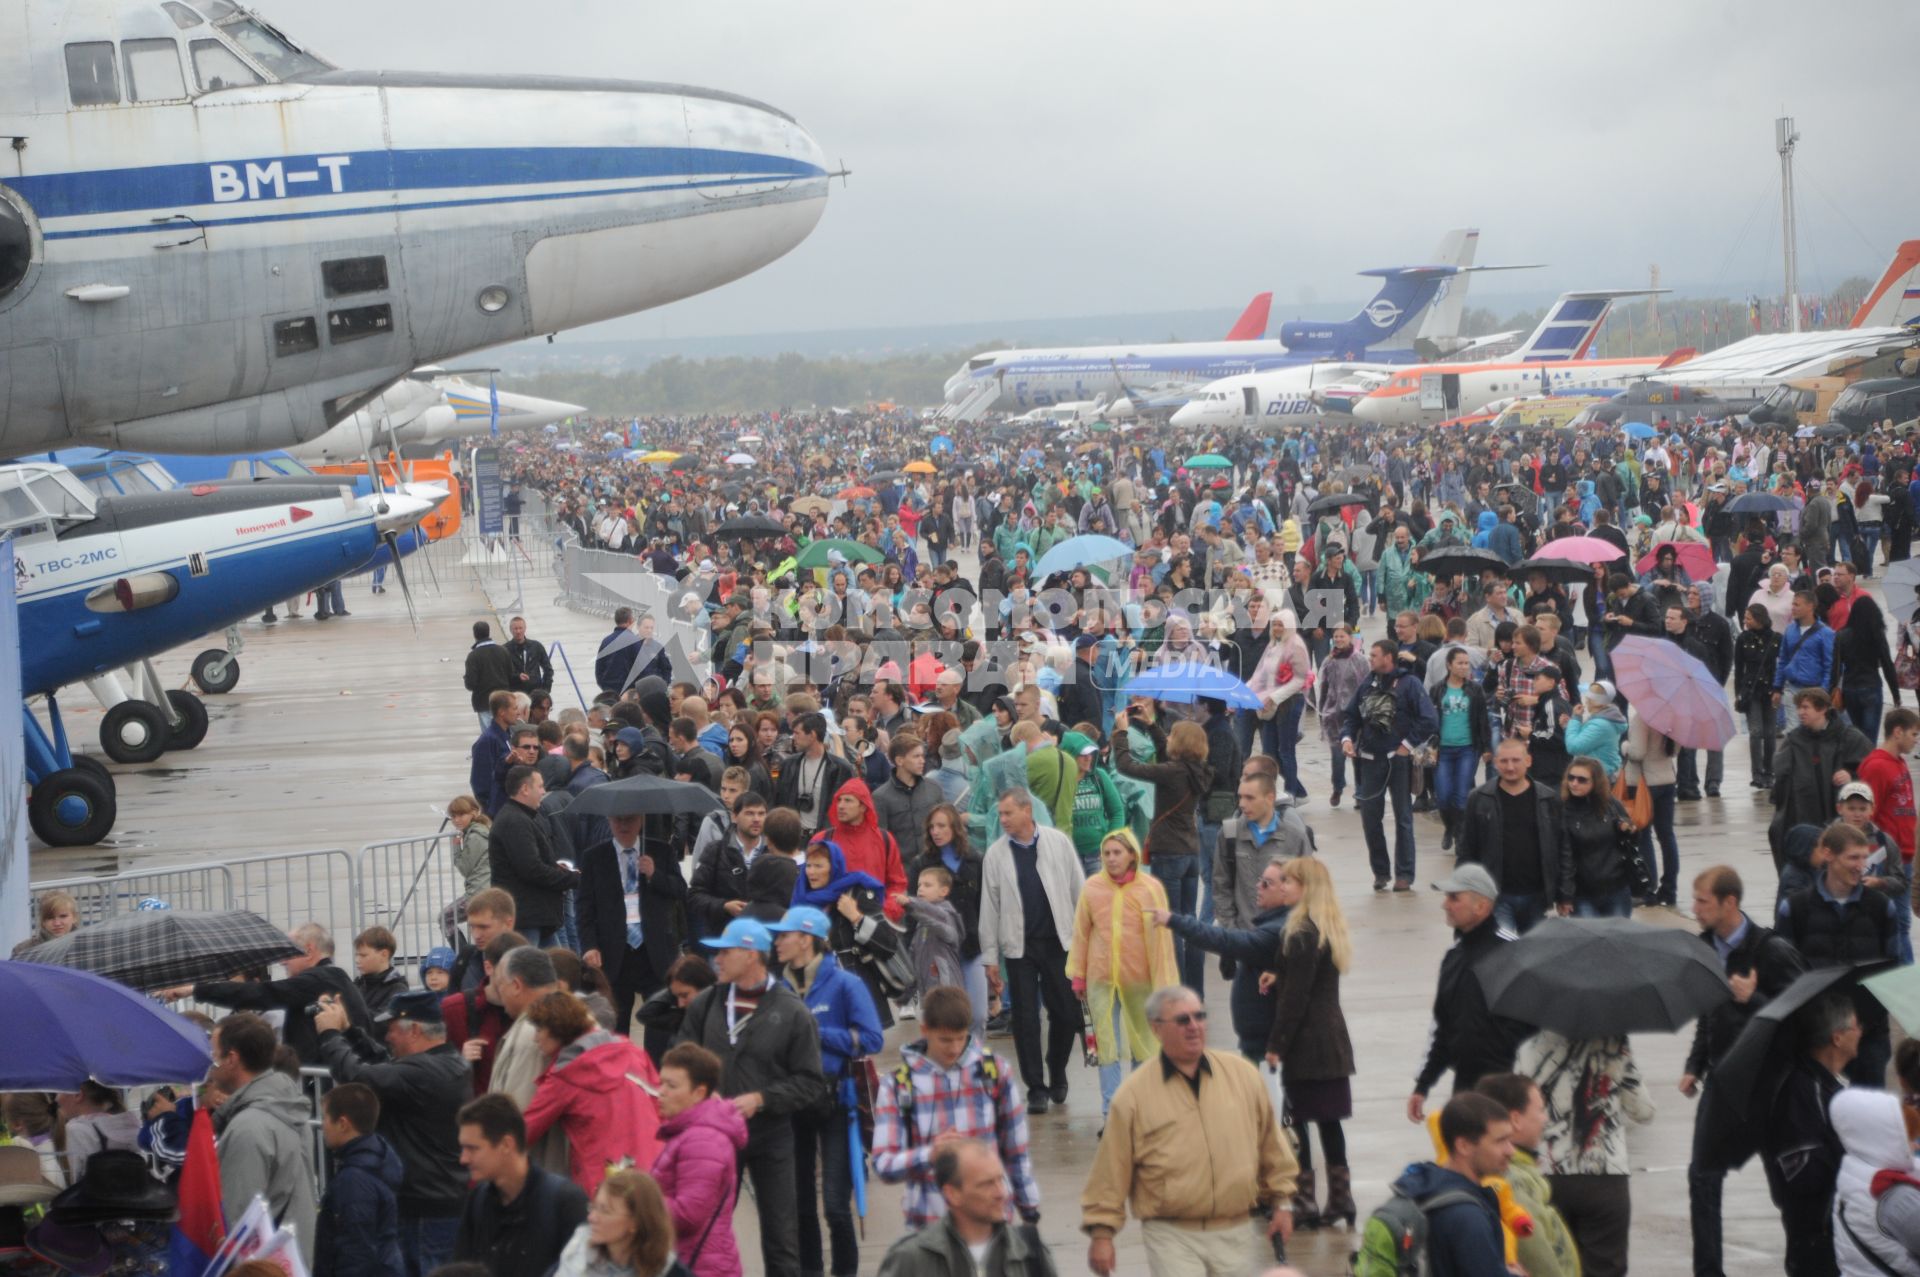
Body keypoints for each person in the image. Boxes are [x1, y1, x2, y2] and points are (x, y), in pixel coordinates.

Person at [1080, 986, 1298, 1276]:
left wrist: (1282, 1202)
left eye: (1199, 1016)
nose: (1194, 1026)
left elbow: (1273, 1145)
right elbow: (1110, 1169)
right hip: (1171, 1235)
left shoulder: (1243, 1076)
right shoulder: (1132, 1096)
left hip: (1235, 1229)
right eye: (1183, 1020)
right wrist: (1102, 1234)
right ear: (1156, 1028)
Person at [673, 916, 828, 1277]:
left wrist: (762, 1099)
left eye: (725, 953)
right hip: (713, 1137)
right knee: (704, 1233)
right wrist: (697, 1094)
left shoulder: (792, 1012)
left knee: (781, 1239)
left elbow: (810, 1081)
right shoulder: (706, 1003)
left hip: (771, 1136)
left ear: (751, 956)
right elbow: (680, 1056)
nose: (717, 961)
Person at [1682, 864, 1810, 1277]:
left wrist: (1755, 1001)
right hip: (1723, 1086)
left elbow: (1806, 1016)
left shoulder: (1771, 950)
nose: (1695, 908)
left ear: (1729, 902)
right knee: (1703, 1181)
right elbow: (1709, 1015)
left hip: (1771, 1089)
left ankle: (1803, 1265)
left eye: (1703, 901)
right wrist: (1694, 1065)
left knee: (1787, 1191)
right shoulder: (1705, 949)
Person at [314, 989, 472, 1277]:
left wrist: (330, 1035)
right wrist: (349, 1031)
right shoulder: (446, 1063)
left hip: (424, 1212)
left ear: (413, 1030)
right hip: (437, 1203)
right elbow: (382, 1063)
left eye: (391, 1030)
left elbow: (360, 1076)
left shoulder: (422, 1074)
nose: (387, 1037)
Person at [769, 905, 884, 1277]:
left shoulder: (845, 983)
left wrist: (814, 1033)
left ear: (806, 939)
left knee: (835, 1205)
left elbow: (871, 1038)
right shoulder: (778, 988)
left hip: (837, 1102)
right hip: (791, 1104)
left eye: (784, 935)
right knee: (800, 1205)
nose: (778, 942)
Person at [872, 983, 1040, 1230]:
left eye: (960, 1038)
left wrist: (1029, 1210)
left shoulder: (994, 1073)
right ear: (924, 1030)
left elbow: (1015, 1150)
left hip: (991, 1227)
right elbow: (884, 1164)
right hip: (929, 1232)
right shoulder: (898, 1086)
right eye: (944, 1040)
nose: (954, 1048)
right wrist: (929, 1154)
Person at [1259, 857, 1357, 1232]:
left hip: (1306, 1043)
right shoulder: (1325, 927)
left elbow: (1296, 999)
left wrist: (1276, 1045)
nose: (1282, 886)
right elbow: (1306, 980)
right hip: (1331, 1039)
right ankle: (1341, 1198)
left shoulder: (1299, 933)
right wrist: (1278, 973)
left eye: (1289, 881)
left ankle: (1304, 1201)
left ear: (1305, 887)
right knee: (1330, 1122)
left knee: (1297, 1123)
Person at [979, 789, 1085, 1114]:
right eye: (1001, 814)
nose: (1003, 820)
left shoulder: (1058, 842)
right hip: (1019, 946)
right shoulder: (996, 855)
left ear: (1027, 811)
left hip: (1058, 942)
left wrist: (1086, 942)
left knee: (1066, 1012)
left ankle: (1057, 1067)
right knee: (1025, 1019)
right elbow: (990, 908)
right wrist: (990, 958)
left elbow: (1079, 891)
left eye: (1008, 813)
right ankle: (1036, 1087)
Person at [1518, 1030, 1656, 1277]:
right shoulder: (1614, 1043)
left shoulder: (1530, 1048)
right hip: (1604, 1175)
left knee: (1552, 1266)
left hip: (1549, 1173)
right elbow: (1644, 1111)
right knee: (1604, 1267)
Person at [1777, 821, 1900, 1088]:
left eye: (1864, 858)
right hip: (1814, 1034)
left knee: (1868, 1115)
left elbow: (1893, 971)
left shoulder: (1882, 908)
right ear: (1828, 854)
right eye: (1853, 857)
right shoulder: (1795, 909)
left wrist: (1862, 1023)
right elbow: (1784, 974)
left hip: (1867, 1034)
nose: (1861, 865)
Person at [1067, 829, 1178, 1117]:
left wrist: (1164, 986)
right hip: (1101, 981)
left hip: (1140, 981)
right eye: (1106, 853)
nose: (1111, 858)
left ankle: (1140, 1108)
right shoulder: (1092, 888)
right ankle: (1111, 1113)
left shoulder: (1150, 889)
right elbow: (1081, 934)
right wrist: (1078, 974)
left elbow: (1163, 943)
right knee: (1106, 1046)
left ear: (1132, 855)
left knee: (1144, 1045)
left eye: (1118, 852)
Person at [1409, 865, 1527, 1118]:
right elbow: (1443, 1028)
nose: (1445, 904)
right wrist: (1423, 1085)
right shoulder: (1453, 958)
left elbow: (1532, 1025)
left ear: (1481, 906)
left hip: (1507, 1090)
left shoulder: (1512, 954)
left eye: (1454, 898)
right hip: (1465, 1088)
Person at [521, 991, 663, 1194]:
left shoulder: (566, 1075)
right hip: (653, 1174)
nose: (535, 1039)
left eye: (539, 1029)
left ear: (557, 1029)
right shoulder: (633, 1053)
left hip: (604, 1183)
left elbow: (524, 1131)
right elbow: (662, 1108)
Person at [1111, 711, 1212, 990]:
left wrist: (1121, 734)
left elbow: (1127, 766)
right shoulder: (1199, 770)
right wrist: (1151, 724)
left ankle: (1176, 990)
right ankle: (1196, 992)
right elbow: (1167, 755)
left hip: (1168, 853)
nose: (1168, 740)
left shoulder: (1172, 773)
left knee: (1170, 927)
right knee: (1190, 924)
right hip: (1190, 851)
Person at [210, 1013, 319, 1263]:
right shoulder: (289, 1106)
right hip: (294, 1259)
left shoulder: (248, 1127)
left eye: (214, 1056)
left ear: (232, 1059)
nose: (211, 1066)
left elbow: (240, 1223)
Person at [1763, 994, 1859, 1277]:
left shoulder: (1826, 1085)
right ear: (1837, 1038)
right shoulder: (1803, 1091)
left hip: (1829, 1233)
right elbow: (1805, 1173)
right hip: (1817, 1237)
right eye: (1855, 1026)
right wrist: (1852, 1160)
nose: (1861, 1031)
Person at [187, 922, 373, 1063]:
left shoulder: (317, 980)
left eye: (288, 953)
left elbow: (263, 993)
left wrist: (196, 989)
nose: (282, 961)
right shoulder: (332, 979)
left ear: (309, 951)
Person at [453, 1093, 590, 1277]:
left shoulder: (565, 1202)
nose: (463, 1159)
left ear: (506, 1144)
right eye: (463, 1149)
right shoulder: (477, 1200)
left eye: (473, 1148)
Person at [576, 812, 688, 1035]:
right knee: (617, 1023)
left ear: (641, 821)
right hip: (614, 951)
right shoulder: (594, 857)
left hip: (654, 950)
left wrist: (655, 875)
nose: (623, 825)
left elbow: (680, 890)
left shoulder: (661, 851)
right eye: (618, 819)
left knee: (659, 1023)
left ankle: (655, 1067)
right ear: (609, 821)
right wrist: (589, 945)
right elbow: (584, 908)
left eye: (630, 819)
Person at [877, 1140, 1059, 1277]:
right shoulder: (910, 1258)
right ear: (952, 1194)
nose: (1001, 1193)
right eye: (986, 1184)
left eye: (1000, 1180)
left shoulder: (1029, 1250)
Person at [1341, 638, 1438, 892]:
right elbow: (1351, 716)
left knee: (1403, 818)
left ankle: (1404, 875)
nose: (1370, 659)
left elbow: (1429, 719)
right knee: (1370, 818)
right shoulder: (1368, 684)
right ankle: (1381, 872)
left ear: (1389, 657)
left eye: (1374, 655)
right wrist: (1347, 738)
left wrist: (1407, 744)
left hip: (1399, 763)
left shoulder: (1410, 684)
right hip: (1370, 761)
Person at [1382, 1092, 1514, 1277]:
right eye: (1500, 1141)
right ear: (1464, 1146)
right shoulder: (1467, 1217)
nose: (1511, 1151)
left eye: (1510, 1140)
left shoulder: (1425, 1188)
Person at [651, 1043, 748, 1277]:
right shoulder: (687, 1132)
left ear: (699, 1092)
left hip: (701, 1267)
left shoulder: (703, 1140)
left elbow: (688, 1214)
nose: (660, 1091)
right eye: (660, 1082)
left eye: (671, 1085)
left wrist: (637, 1200)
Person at [1455, 737, 1569, 933]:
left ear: (1528, 761)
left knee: (1531, 958)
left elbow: (1563, 849)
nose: (1510, 767)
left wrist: (1564, 894)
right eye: (1504, 761)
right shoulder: (1479, 798)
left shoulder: (1548, 799)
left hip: (1537, 895)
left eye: (1516, 760)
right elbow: (1467, 849)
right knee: (1500, 956)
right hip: (1496, 896)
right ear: (1495, 763)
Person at [1473, 1074, 1580, 1277]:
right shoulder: (1513, 1182)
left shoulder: (1514, 1174)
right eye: (1540, 1110)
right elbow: (1537, 1256)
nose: (1545, 1118)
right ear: (1515, 1119)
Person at [315, 1083, 405, 1277]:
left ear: (342, 1124)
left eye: (325, 1118)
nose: (322, 1126)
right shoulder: (376, 1161)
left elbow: (356, 1251)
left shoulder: (354, 1180)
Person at [1828, 1088, 1920, 1277]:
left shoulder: (1856, 1176)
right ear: (1888, 1138)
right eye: (1909, 1139)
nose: (1916, 1146)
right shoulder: (1896, 1196)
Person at [1213, 771, 1310, 943]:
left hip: (1282, 942)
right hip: (1242, 941)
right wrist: (1231, 931)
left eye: (1250, 798)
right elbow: (1221, 886)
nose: (1242, 804)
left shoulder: (1295, 837)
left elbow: (1309, 890)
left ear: (1270, 798)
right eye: (1240, 797)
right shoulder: (1229, 834)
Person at [491, 763, 581, 947]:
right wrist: (570, 878)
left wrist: (557, 869)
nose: (543, 791)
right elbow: (531, 869)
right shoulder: (515, 821)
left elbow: (534, 862)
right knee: (530, 970)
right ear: (525, 789)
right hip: (526, 918)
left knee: (553, 971)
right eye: (540, 786)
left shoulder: (522, 817)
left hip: (536, 916)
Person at [551, 1170, 694, 1277]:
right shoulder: (578, 1251)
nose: (592, 1217)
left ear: (635, 1222)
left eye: (605, 1211)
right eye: (594, 1207)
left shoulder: (668, 1271)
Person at [1558, 756, 1641, 917]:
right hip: (1582, 893)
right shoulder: (1562, 810)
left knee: (1619, 939)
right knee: (1591, 940)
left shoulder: (1611, 805)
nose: (1574, 783)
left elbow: (1633, 842)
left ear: (1595, 782)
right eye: (1571, 778)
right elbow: (1564, 858)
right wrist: (1565, 896)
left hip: (1616, 887)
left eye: (1582, 780)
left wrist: (1629, 830)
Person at [1429, 646, 1491, 854]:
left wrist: (1486, 746)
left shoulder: (1475, 690)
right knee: (1443, 795)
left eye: (1467, 663)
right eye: (1460, 663)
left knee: (1461, 794)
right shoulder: (1438, 690)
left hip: (1467, 748)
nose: (1464, 667)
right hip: (1443, 750)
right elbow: (1430, 722)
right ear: (1449, 665)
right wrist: (1430, 746)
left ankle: (1460, 835)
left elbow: (1483, 719)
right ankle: (1449, 826)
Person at [1625, 708, 1684, 907]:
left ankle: (1648, 889)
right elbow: (1675, 751)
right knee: (1667, 835)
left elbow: (1637, 753)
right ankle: (1670, 889)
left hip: (1645, 784)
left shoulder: (1644, 717)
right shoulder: (1673, 716)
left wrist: (1625, 746)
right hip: (1667, 779)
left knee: (1643, 835)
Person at [1735, 603, 1784, 789]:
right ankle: (1757, 773)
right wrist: (1739, 693)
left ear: (1760, 619)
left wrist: (1779, 688)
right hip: (1751, 690)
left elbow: (1782, 663)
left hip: (1771, 689)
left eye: (1748, 618)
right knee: (1756, 732)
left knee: (1770, 732)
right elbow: (1739, 668)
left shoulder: (1776, 639)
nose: (1745, 621)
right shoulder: (1742, 639)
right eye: (1745, 617)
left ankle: (1769, 771)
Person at [899, 863, 966, 997]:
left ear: (944, 891)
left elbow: (934, 918)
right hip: (928, 994)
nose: (920, 889)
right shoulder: (921, 922)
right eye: (919, 885)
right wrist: (905, 995)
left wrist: (910, 903)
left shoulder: (946, 916)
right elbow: (914, 959)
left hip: (947, 992)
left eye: (927, 885)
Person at [1564, 678, 1629, 780]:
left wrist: (1575, 720)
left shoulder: (1600, 724)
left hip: (1597, 777)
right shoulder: (1603, 719)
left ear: (1595, 701)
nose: (1586, 700)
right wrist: (1568, 726)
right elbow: (1585, 739)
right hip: (1599, 773)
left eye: (1588, 698)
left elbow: (1574, 747)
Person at [467, 622, 516, 729]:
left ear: (475, 635)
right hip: (503, 700)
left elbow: (471, 684)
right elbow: (511, 675)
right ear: (488, 632)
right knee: (505, 732)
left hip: (483, 702)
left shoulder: (473, 656)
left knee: (489, 733)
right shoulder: (503, 651)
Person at [354, 926, 410, 1018]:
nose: (357, 960)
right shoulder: (358, 985)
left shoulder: (398, 989)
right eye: (357, 955)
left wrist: (349, 1013)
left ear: (384, 954)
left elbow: (382, 1021)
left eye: (363, 955)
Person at [596, 608, 642, 698]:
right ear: (630, 620)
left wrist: (604, 686)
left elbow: (599, 668)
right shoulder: (634, 641)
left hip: (609, 690)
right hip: (629, 691)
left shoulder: (606, 641)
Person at [505, 616, 554, 696]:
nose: (518, 631)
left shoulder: (536, 646)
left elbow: (548, 669)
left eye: (520, 628)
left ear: (525, 629)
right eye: (515, 629)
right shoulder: (505, 650)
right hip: (515, 694)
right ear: (511, 630)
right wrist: (517, 677)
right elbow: (502, 674)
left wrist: (545, 690)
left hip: (535, 693)